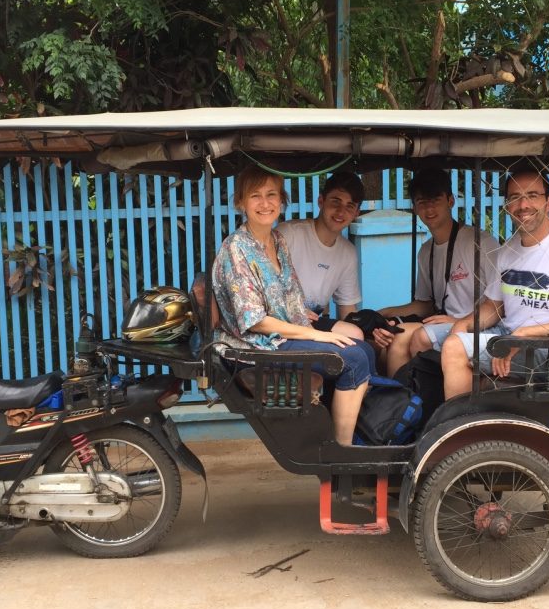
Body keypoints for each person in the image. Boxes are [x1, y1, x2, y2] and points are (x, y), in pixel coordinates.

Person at [211, 165, 371, 446]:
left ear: (282, 201)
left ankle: (358, 436)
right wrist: (317, 335)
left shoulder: (277, 241)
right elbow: (255, 321)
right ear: (241, 202)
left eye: (272, 195)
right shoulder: (237, 248)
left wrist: (321, 333)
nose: (265, 204)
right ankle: (343, 454)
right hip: (254, 347)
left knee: (362, 349)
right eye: (255, 196)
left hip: (280, 338)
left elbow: (293, 300)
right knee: (353, 360)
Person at [440, 167, 549, 399]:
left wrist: (525, 334)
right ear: (507, 207)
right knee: (424, 338)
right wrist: (464, 325)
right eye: (515, 197)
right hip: (511, 334)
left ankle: (461, 429)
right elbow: (494, 307)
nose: (523, 205)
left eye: (532, 195)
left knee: (454, 348)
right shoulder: (509, 248)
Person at [374, 168, 500, 377]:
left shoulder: (481, 242)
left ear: (450, 201)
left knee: (419, 337)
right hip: (443, 323)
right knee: (394, 337)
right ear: (414, 208)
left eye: (435, 199)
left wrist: (461, 321)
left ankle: (430, 399)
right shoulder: (426, 251)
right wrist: (384, 313)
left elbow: (500, 303)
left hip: (481, 326)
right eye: (422, 202)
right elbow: (425, 304)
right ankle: (402, 405)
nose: (429, 208)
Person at [277, 172, 365, 340]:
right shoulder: (289, 234)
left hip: (312, 323)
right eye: (335, 202)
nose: (341, 212)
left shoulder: (348, 253)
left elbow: (348, 309)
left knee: (358, 338)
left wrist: (372, 332)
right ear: (321, 201)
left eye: (350, 206)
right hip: (280, 321)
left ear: (356, 213)